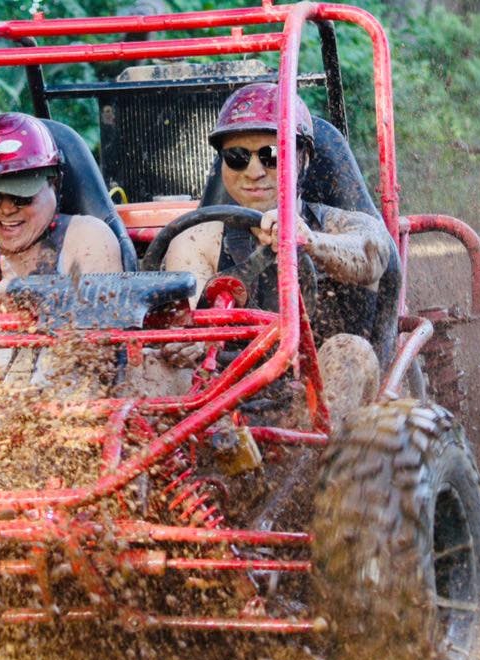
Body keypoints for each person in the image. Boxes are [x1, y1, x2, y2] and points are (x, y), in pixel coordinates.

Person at [162, 82, 396, 422]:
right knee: (155, 364)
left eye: (271, 156)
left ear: (302, 158)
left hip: (325, 391)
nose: (254, 172)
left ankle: (313, 470)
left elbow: (373, 254)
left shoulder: (339, 224)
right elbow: (186, 316)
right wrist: (189, 340)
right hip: (227, 393)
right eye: (237, 158)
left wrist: (310, 241)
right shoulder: (200, 238)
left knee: (350, 352)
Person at [0, 112, 124, 316]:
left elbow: (104, 341)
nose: (6, 210)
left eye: (21, 197)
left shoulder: (88, 239)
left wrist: (23, 307)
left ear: (54, 183)